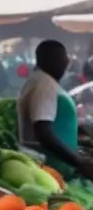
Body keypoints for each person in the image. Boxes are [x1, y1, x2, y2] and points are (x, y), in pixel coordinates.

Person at [17, 40, 93, 177]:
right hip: (52, 167)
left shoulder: (41, 81)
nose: (66, 62)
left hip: (58, 165)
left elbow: (56, 120)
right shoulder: (44, 86)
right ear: (48, 60)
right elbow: (43, 132)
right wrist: (79, 162)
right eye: (62, 58)